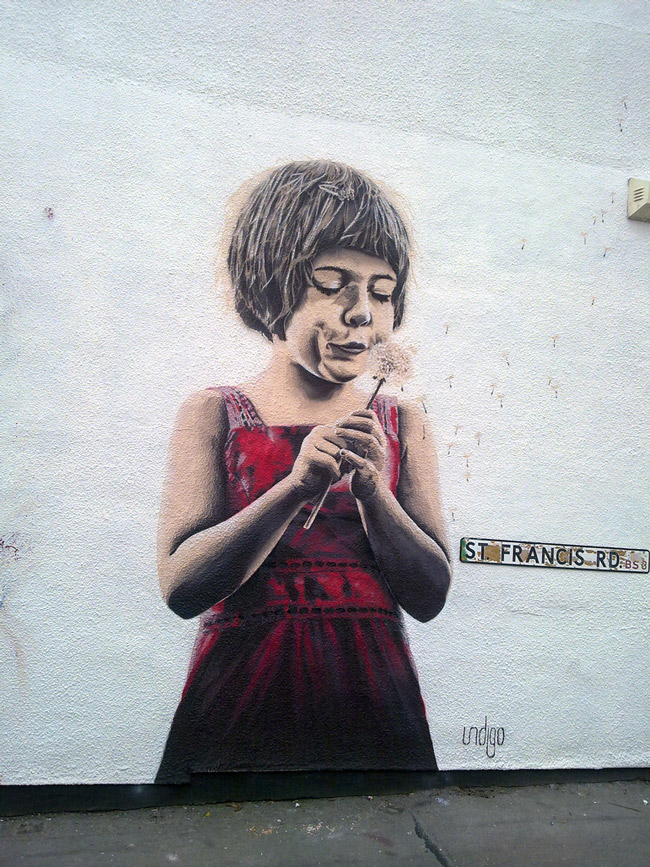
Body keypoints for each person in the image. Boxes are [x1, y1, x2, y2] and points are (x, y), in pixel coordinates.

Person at [155, 160, 451, 782]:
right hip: (237, 697)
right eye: (332, 283)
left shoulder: (402, 422)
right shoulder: (213, 413)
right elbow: (182, 588)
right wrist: (294, 488)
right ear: (270, 286)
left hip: (377, 700)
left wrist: (374, 495)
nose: (360, 313)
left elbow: (430, 597)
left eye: (381, 291)